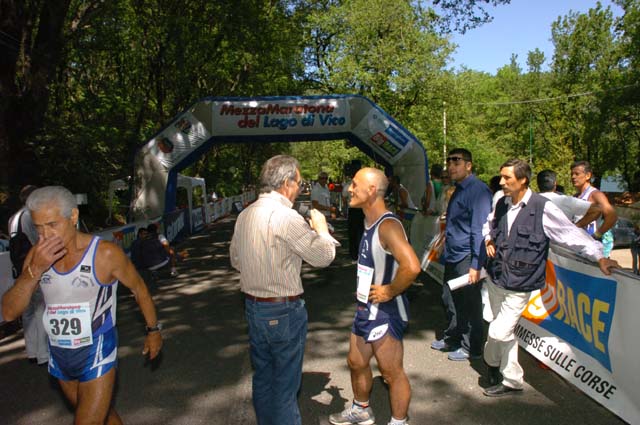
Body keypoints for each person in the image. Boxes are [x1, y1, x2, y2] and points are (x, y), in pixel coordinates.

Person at [1, 186, 163, 424]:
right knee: (103, 415)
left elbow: (139, 289)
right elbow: (8, 311)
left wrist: (153, 330)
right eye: (38, 227)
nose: (45, 236)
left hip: (97, 351)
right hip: (59, 353)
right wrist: (34, 271)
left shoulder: (105, 254)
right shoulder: (37, 256)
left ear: (73, 217)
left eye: (52, 224)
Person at [482, 159, 618, 397]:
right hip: (496, 278)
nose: (501, 182)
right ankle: (511, 380)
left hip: (520, 284)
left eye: (507, 178)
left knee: (498, 332)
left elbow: (570, 235)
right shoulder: (501, 203)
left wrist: (599, 256)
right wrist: (488, 240)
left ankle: (492, 364)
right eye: (501, 177)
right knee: (506, 331)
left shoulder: (543, 207)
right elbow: (489, 224)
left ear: (523, 180)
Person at [229, 155, 336, 425]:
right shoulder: (287, 217)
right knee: (286, 388)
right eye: (299, 183)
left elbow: (235, 260)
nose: (300, 188)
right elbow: (323, 257)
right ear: (287, 182)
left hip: (253, 307)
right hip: (283, 309)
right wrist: (322, 230)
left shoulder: (245, 214)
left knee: (263, 377)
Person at [329, 168, 420, 425]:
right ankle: (361, 409)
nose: (349, 189)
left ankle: (399, 421)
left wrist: (390, 290)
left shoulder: (388, 225)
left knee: (391, 374)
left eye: (355, 185)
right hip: (364, 308)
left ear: (371, 191)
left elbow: (412, 266)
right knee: (356, 361)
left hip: (385, 312)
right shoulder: (368, 221)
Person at [430, 149, 492, 362]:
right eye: (449, 161)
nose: (451, 166)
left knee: (470, 302)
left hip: (467, 257)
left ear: (469, 165)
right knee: (449, 299)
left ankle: (471, 347)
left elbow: (479, 230)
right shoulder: (458, 189)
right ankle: (452, 338)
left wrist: (476, 264)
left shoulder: (478, 190)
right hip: (453, 254)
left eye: (457, 161)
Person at [7, 185, 49, 365]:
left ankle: (31, 351)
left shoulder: (13, 218)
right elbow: (37, 242)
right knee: (41, 308)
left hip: (20, 270)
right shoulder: (30, 216)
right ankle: (43, 354)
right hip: (34, 268)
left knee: (28, 312)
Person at [571, 161, 617, 257]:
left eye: (577, 174)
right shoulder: (575, 196)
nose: (573, 177)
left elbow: (612, 216)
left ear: (588, 175)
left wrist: (597, 234)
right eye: (572, 174)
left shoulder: (596, 194)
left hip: (593, 249)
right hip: (579, 246)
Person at [536, 169, 602, 226]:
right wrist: (577, 226)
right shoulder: (565, 201)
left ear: (538, 184)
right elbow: (596, 209)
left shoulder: (530, 201)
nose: (573, 177)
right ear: (555, 183)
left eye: (577, 174)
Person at [343, 169, 365, 261]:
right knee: (360, 232)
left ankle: (354, 254)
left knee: (353, 233)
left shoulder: (348, 186)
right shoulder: (362, 186)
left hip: (354, 210)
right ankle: (359, 254)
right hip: (359, 210)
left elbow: (344, 199)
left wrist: (345, 209)